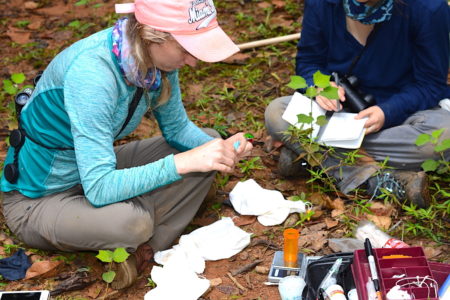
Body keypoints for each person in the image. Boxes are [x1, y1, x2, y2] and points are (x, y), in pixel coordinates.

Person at [0, 0, 253, 288]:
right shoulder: (93, 75)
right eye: (186, 49)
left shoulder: (152, 59)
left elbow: (177, 128)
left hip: (91, 168)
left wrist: (221, 147)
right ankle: (142, 231)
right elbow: (98, 188)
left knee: (206, 145)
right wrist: (183, 165)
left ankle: (132, 236)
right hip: (39, 200)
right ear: (152, 34)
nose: (193, 60)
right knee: (135, 223)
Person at [265, 0, 449, 208]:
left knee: (444, 134)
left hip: (402, 113)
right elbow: (309, 61)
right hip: (341, 113)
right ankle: (377, 180)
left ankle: (311, 158)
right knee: (277, 112)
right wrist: (321, 86)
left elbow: (430, 84)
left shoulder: (428, 8)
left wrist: (387, 111)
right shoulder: (321, 3)